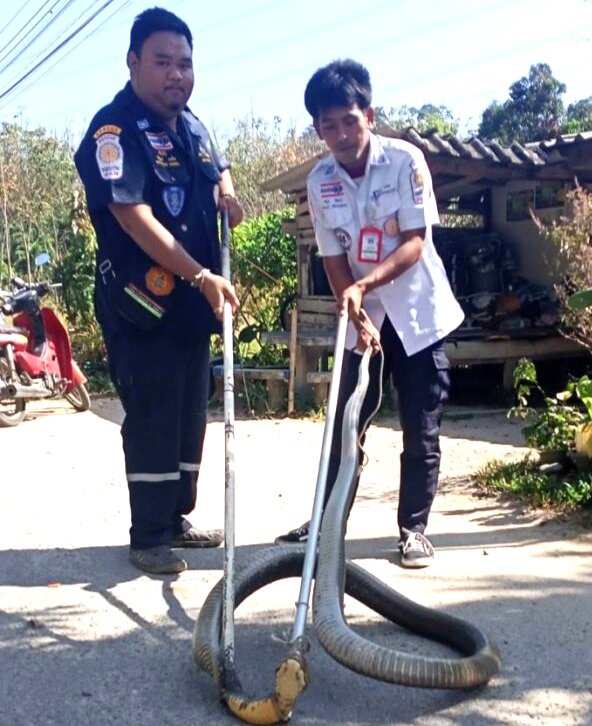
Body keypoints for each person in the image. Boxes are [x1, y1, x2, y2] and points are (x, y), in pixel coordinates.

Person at [275, 59, 464, 568]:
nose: (340, 134)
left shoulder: (406, 162)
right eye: (327, 125)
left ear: (370, 115)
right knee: (344, 424)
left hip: (417, 315)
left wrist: (362, 285)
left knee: (420, 426)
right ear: (318, 129)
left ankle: (414, 530)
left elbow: (414, 243)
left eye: (348, 121)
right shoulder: (320, 182)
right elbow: (333, 258)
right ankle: (326, 523)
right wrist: (352, 309)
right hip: (361, 319)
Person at [75, 7, 243, 575]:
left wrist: (228, 190)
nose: (177, 74)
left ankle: (175, 519)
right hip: (141, 306)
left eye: (185, 64)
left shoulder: (192, 124)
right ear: (134, 63)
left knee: (189, 414)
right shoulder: (113, 130)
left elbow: (217, 166)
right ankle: (147, 536)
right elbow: (132, 216)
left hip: (193, 309)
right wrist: (199, 274)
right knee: (153, 414)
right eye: (163, 62)